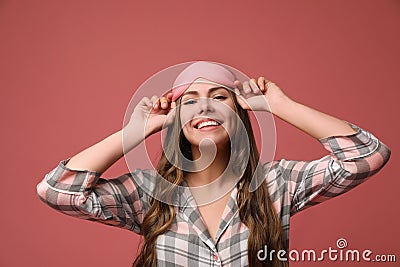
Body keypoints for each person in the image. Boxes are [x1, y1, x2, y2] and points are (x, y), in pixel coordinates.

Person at [36, 61, 391, 266]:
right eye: (189, 101)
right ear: (176, 119)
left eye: (219, 97)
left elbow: (367, 155)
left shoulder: (275, 183)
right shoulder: (148, 193)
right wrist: (135, 130)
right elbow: (57, 190)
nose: (205, 108)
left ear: (239, 113)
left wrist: (281, 107)